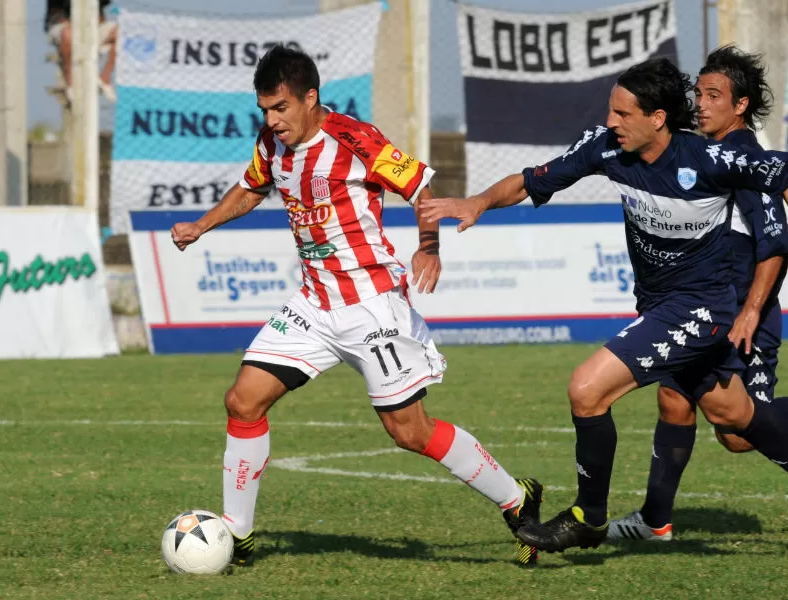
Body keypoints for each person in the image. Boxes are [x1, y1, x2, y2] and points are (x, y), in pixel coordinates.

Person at [420, 57, 788, 560]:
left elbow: (787, 177)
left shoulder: (710, 159)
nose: (611, 122)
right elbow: (532, 179)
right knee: (730, 413)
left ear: (657, 118)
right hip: (658, 302)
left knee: (586, 388)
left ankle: (589, 517)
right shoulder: (607, 147)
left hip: (704, 307)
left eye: (623, 113)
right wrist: (477, 203)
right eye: (611, 111)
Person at [169, 45, 543, 567]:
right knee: (243, 401)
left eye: (280, 108)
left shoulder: (355, 138)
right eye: (265, 111)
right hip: (315, 304)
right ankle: (238, 534)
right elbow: (252, 188)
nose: (272, 121)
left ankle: (516, 497)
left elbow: (419, 185)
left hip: (372, 306)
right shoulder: (271, 145)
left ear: (310, 98)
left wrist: (428, 246)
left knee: (409, 431)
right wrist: (201, 226)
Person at [606, 46, 788, 543]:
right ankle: (655, 521)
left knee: (739, 433)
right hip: (708, 308)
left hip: (744, 315)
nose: (700, 103)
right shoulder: (714, 151)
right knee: (675, 400)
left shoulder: (743, 155)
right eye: (698, 93)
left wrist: (765, 301)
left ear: (739, 106)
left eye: (713, 95)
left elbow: (774, 244)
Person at [45, 0, 118, 103]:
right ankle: (70, 82)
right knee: (67, 34)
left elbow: (103, 10)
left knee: (120, 32)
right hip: (63, 26)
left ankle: (105, 78)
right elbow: (56, 14)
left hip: (91, 26)